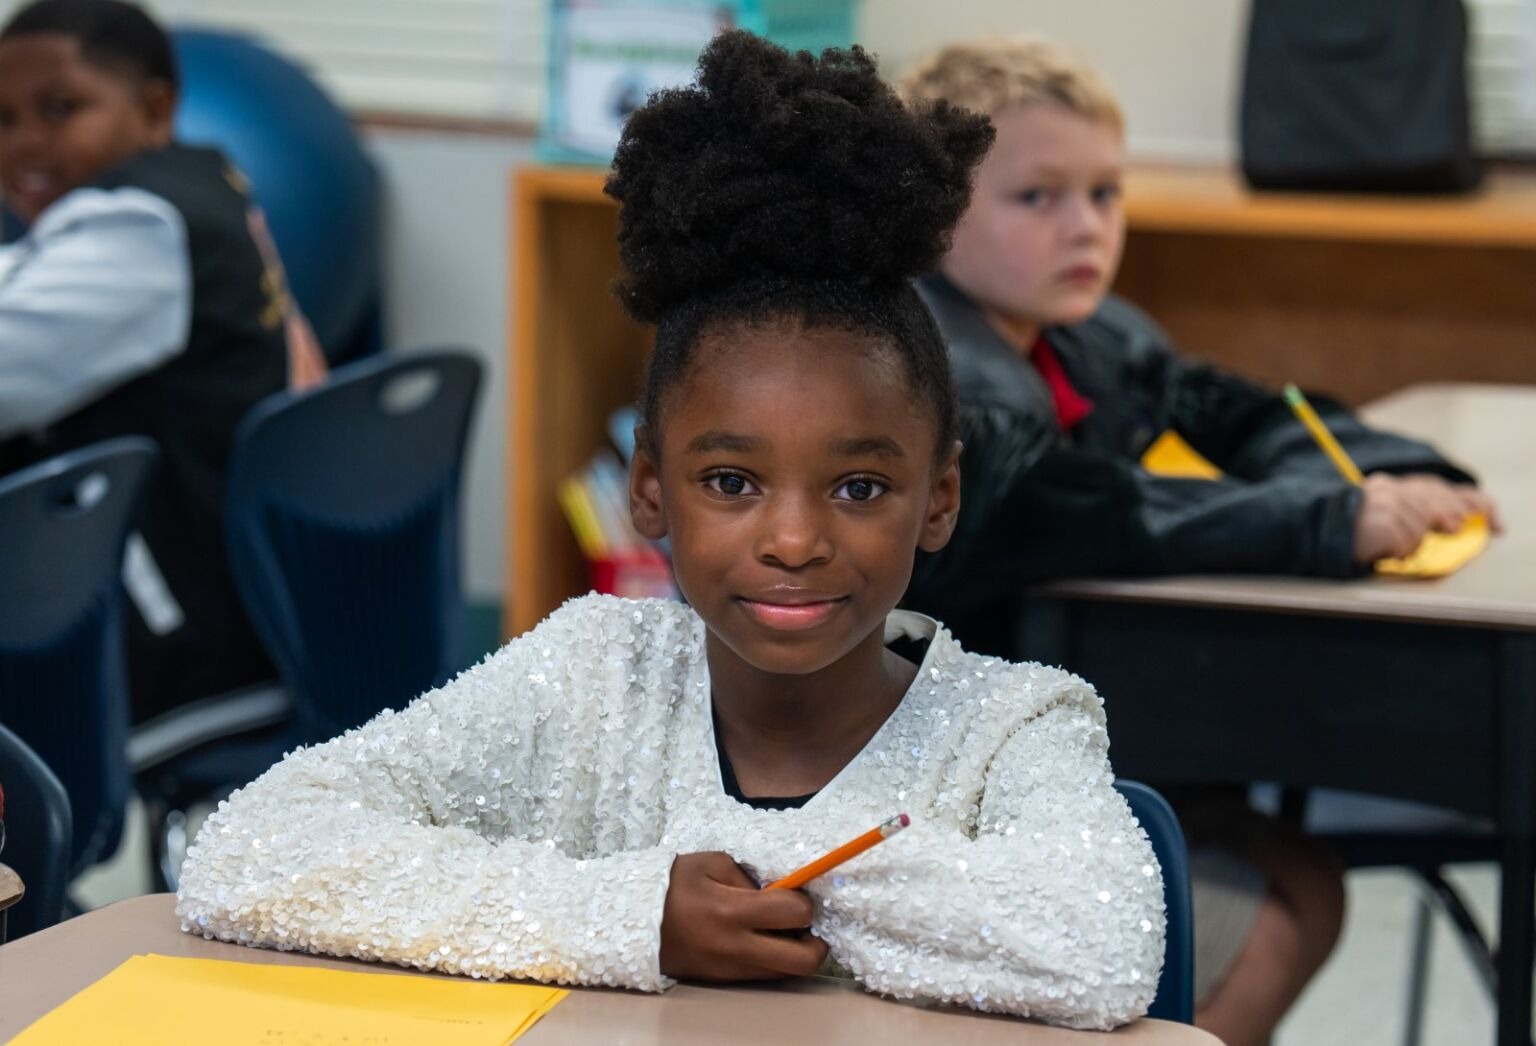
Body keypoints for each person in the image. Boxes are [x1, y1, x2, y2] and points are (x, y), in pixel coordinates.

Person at [176, 32, 1165, 1031]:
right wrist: (633, 910)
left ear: (940, 497)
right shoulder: (593, 673)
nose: (791, 539)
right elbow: (248, 845)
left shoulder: (1015, 727)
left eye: (860, 487)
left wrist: (775, 884)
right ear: (649, 488)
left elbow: (1101, 947)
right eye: (731, 480)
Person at [893, 38, 1496, 1046]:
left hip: (1090, 738)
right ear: (932, 215)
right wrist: (1329, 520)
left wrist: (1391, 471)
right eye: (1037, 198)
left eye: (1104, 193)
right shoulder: (937, 374)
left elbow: (1247, 414)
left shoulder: (1088, 333)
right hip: (955, 794)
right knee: (1271, 905)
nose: (1086, 226)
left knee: (1307, 876)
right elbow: (1102, 505)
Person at [0, 0, 324, 721]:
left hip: (151, 643)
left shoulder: (134, 229)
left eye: (60, 109)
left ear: (154, 110)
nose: (25, 144)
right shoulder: (199, 185)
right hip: (225, 597)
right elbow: (29, 278)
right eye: (4, 119)